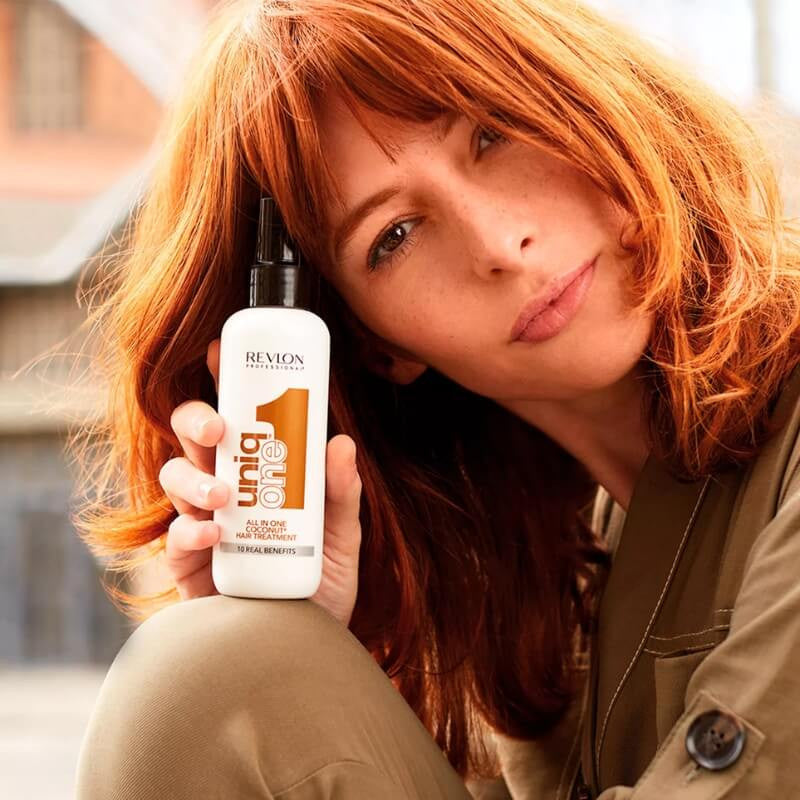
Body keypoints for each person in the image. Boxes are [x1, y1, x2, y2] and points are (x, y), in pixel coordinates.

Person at [71, 0, 800, 797]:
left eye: (490, 133)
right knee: (214, 671)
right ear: (377, 348)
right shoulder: (541, 589)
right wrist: (295, 660)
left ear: (580, 90)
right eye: (394, 237)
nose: (496, 243)